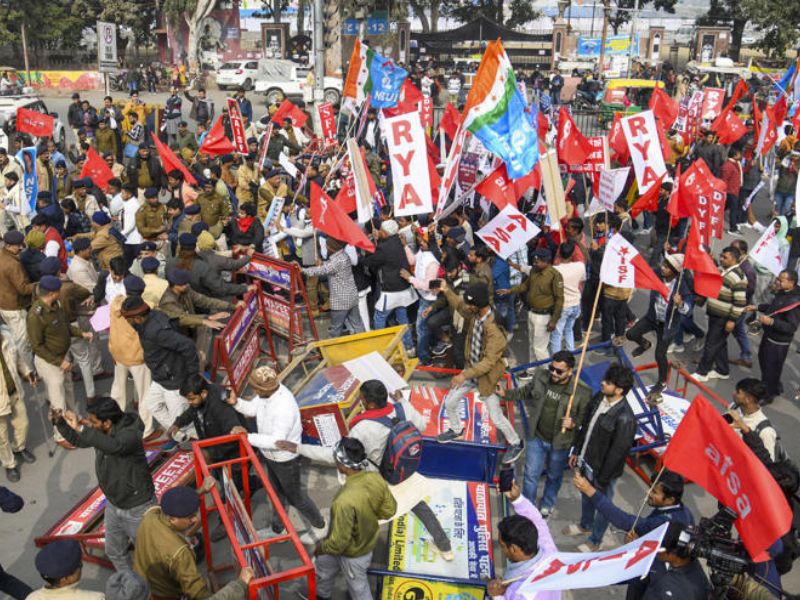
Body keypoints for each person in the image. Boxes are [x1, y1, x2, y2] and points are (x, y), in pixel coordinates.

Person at [279, 379, 454, 558]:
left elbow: (336, 455)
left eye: (361, 398)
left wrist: (298, 448)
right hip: (404, 473)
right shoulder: (401, 408)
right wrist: (403, 401)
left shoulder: (362, 429)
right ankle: (445, 547)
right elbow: (422, 426)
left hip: (377, 481)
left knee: (351, 513)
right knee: (419, 505)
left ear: (369, 403)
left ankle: (339, 550)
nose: (359, 401)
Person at [52, 398, 155, 571]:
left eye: (93, 421)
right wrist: (60, 423)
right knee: (114, 551)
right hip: (114, 504)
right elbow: (80, 440)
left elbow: (115, 447)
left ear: (107, 423)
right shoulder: (103, 431)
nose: (90, 424)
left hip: (137, 507)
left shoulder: (130, 434)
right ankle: (131, 584)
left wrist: (82, 428)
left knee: (151, 556)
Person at [226, 366, 326, 535]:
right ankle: (278, 527)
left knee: (296, 498)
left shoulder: (283, 407)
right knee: (276, 494)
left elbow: (277, 441)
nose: (253, 390)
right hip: (270, 456)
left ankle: (319, 523)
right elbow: (252, 409)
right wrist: (236, 403)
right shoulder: (266, 394)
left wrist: (247, 436)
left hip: (285, 460)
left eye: (255, 388)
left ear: (262, 389)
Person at [436, 281, 524, 463]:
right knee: (451, 402)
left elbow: (488, 363)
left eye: (470, 303)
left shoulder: (495, 331)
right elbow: (460, 306)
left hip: (485, 378)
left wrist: (463, 375)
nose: (467, 306)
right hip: (471, 370)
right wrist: (446, 290)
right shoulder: (476, 312)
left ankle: (516, 443)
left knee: (496, 418)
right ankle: (456, 429)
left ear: (477, 304)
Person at [502, 351, 592, 517]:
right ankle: (528, 507)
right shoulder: (541, 376)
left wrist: (573, 423)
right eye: (552, 368)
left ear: (570, 371)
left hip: (560, 442)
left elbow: (585, 419)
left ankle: (547, 504)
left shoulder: (582, 391)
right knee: (530, 475)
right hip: (537, 436)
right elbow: (526, 392)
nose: (553, 373)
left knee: (554, 476)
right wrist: (506, 394)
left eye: (559, 371)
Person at [563, 364, 637, 551]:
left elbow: (618, 453)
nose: (602, 383)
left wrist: (602, 480)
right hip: (586, 461)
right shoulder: (599, 398)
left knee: (603, 505)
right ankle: (585, 525)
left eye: (608, 382)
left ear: (619, 390)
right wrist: (577, 451)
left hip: (604, 472)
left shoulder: (626, 418)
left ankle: (595, 541)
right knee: (585, 496)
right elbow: (586, 426)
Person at [314, 437, 397, 600]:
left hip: (353, 554)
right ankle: (321, 595)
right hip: (358, 544)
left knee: (359, 590)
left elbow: (338, 544)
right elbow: (390, 510)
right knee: (323, 569)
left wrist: (321, 548)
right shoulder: (375, 478)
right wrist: (366, 516)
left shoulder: (343, 501)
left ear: (343, 465)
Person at [121, 296, 198, 444]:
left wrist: (192, 376)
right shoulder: (148, 320)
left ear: (137, 318)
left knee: (183, 420)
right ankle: (181, 436)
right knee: (152, 405)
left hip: (174, 381)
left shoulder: (156, 331)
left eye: (127, 319)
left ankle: (200, 444)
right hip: (160, 378)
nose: (126, 322)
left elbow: (187, 345)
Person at [27, 276, 92, 446]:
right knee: (57, 400)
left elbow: (65, 326)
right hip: (50, 362)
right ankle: (60, 435)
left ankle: (74, 420)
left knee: (69, 390)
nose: (60, 293)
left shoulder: (55, 306)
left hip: (63, 356)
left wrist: (81, 334)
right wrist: (58, 362)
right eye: (58, 291)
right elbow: (37, 346)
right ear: (52, 293)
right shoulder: (36, 316)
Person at [133, 482, 217, 599]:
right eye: (190, 517)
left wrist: (199, 491)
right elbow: (198, 593)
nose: (195, 519)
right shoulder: (179, 552)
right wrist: (239, 585)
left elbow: (174, 502)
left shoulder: (151, 515)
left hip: (144, 587)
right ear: (172, 519)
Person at [626, 253, 693, 389]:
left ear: (675, 271)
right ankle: (645, 344)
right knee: (631, 334)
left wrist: (680, 304)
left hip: (667, 326)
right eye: (663, 264)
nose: (662, 268)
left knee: (660, 354)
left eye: (667, 267)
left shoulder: (682, 285)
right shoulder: (657, 274)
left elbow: (688, 311)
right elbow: (643, 270)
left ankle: (662, 382)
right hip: (652, 318)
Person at [485, 479, 560, 600]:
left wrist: (496, 596)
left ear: (513, 549)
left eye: (502, 546)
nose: (501, 549)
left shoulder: (524, 593)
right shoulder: (550, 554)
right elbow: (537, 521)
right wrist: (517, 499)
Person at [109, 276, 156, 437]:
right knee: (144, 393)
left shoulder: (115, 303)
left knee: (118, 390)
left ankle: (112, 423)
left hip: (118, 353)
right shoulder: (144, 308)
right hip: (136, 356)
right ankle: (147, 430)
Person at [693, 246, 748, 382]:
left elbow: (740, 302)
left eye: (725, 258)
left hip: (724, 317)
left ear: (734, 259)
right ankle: (722, 370)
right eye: (721, 256)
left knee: (711, 344)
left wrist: (732, 320)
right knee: (720, 343)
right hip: (715, 313)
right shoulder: (723, 271)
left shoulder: (738, 277)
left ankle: (702, 372)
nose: (721, 259)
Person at [500, 248, 564, 363]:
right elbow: (525, 286)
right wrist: (510, 290)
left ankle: (546, 371)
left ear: (546, 261)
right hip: (531, 312)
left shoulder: (555, 276)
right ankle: (531, 370)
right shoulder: (534, 271)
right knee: (531, 345)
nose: (534, 264)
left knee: (539, 348)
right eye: (534, 261)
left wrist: (554, 320)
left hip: (543, 316)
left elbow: (559, 300)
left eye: (537, 262)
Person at [361, 220, 417, 350]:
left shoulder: (384, 248)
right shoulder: (397, 240)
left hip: (391, 290)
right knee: (402, 320)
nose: (379, 231)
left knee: (379, 318)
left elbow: (371, 261)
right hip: (403, 288)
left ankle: (380, 348)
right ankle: (409, 347)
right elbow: (385, 250)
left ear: (385, 233)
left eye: (380, 230)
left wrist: (361, 257)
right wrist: (378, 239)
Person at [749, 269, 800, 403]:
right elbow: (773, 307)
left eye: (781, 280)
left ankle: (768, 394)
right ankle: (775, 386)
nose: (777, 281)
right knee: (764, 361)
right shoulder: (783, 292)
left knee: (771, 367)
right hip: (769, 335)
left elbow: (791, 327)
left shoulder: (794, 302)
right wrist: (757, 307)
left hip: (779, 341)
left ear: (791, 282)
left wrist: (772, 322)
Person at [301, 238, 364, 337]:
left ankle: (332, 349)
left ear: (331, 248)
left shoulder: (337, 260)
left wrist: (302, 270)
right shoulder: (344, 255)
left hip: (341, 301)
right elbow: (330, 266)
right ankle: (365, 343)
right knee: (357, 324)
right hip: (351, 296)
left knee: (335, 329)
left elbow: (321, 271)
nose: (326, 247)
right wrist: (322, 264)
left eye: (327, 245)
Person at [637, 522, 711, 599]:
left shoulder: (690, 592)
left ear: (673, 553)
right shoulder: (666, 559)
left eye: (659, 547)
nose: (654, 550)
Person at [0, 323, 35, 482]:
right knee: (2, 437)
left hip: (14, 391)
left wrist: (27, 372)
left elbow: (18, 359)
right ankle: (9, 464)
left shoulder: (7, 337)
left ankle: (19, 448)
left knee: (24, 423)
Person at [0, 230, 36, 372]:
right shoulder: (12, 264)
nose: (21, 248)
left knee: (17, 336)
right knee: (23, 342)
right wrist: (39, 284)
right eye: (18, 246)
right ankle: (29, 371)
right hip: (15, 307)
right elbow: (23, 289)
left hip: (4, 305)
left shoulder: (2, 255)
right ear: (9, 245)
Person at [28, 539, 104, 600]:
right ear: (65, 579)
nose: (81, 566)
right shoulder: (96, 597)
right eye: (80, 565)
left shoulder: (32, 597)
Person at [729, 378, 779, 460]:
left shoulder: (765, 431)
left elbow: (768, 464)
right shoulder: (734, 408)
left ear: (748, 399)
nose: (734, 393)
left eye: (738, 392)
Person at [551, 241, 584, 352]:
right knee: (569, 330)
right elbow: (582, 280)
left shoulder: (555, 270)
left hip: (563, 306)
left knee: (557, 334)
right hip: (576, 304)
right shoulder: (580, 266)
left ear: (559, 253)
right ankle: (570, 354)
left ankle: (557, 360)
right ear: (573, 253)